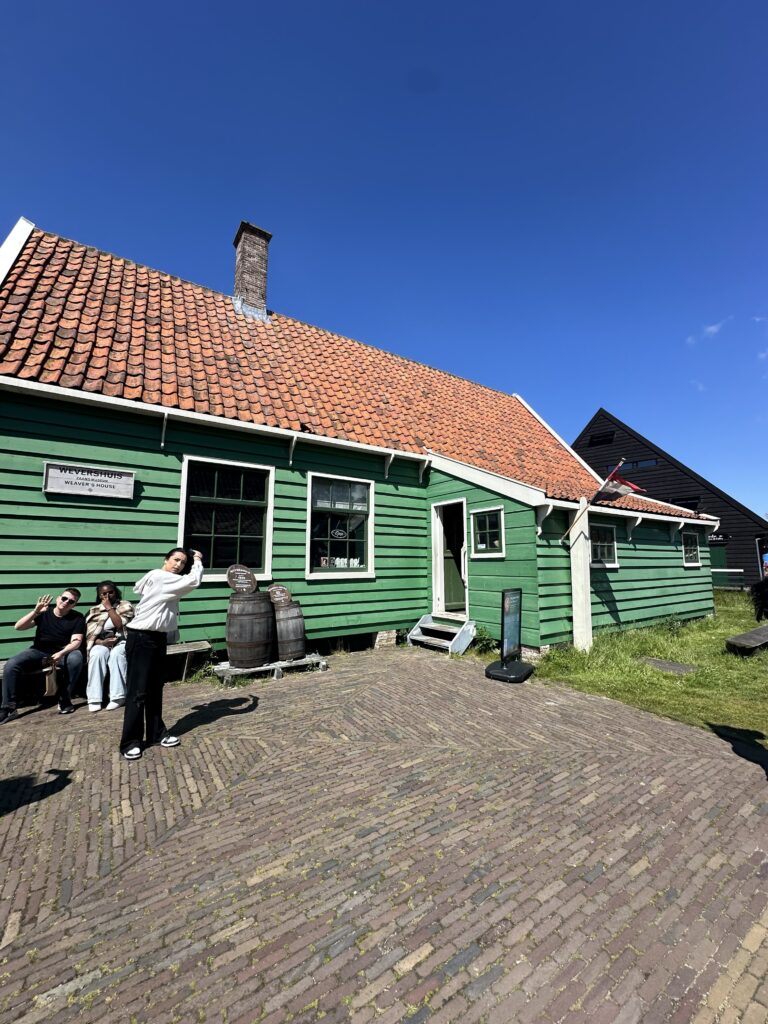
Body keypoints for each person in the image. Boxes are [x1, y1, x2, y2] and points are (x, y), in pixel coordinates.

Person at [120, 548, 204, 761]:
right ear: (165, 560)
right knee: (138, 691)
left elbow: (138, 587)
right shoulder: (161, 577)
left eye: (183, 562)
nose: (179, 565)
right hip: (142, 638)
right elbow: (194, 581)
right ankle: (130, 742)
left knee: (155, 688)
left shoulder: (159, 578)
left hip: (157, 638)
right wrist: (197, 559)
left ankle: (157, 733)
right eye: (175, 560)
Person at [0, 588, 86, 723]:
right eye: (64, 598)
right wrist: (35, 612)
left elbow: (76, 642)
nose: (66, 602)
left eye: (70, 601)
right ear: (58, 599)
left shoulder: (77, 617)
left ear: (74, 605)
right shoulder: (44, 613)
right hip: (39, 651)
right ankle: (8, 708)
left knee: (76, 657)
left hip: (63, 652)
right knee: (12, 664)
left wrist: (61, 653)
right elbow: (19, 627)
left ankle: (65, 698)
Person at [85, 582, 135, 712]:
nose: (107, 596)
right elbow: (90, 636)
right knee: (97, 655)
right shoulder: (94, 610)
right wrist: (101, 643)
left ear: (116, 592)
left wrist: (109, 608)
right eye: (103, 593)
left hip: (122, 640)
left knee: (116, 655)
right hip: (102, 642)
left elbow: (119, 625)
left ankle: (118, 697)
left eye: (110, 592)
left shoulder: (125, 605)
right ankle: (94, 698)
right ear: (99, 595)